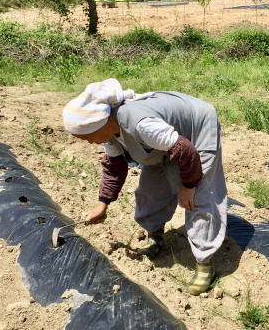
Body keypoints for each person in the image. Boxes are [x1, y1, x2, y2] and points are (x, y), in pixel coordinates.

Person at [62, 78, 228, 295]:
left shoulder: (142, 125)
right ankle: (156, 236)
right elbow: (115, 167)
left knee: (197, 197)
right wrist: (103, 204)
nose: (87, 141)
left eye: (86, 136)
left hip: (196, 127)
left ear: (100, 123)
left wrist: (189, 184)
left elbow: (186, 151)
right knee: (150, 189)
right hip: (166, 143)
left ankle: (205, 264)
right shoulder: (109, 134)